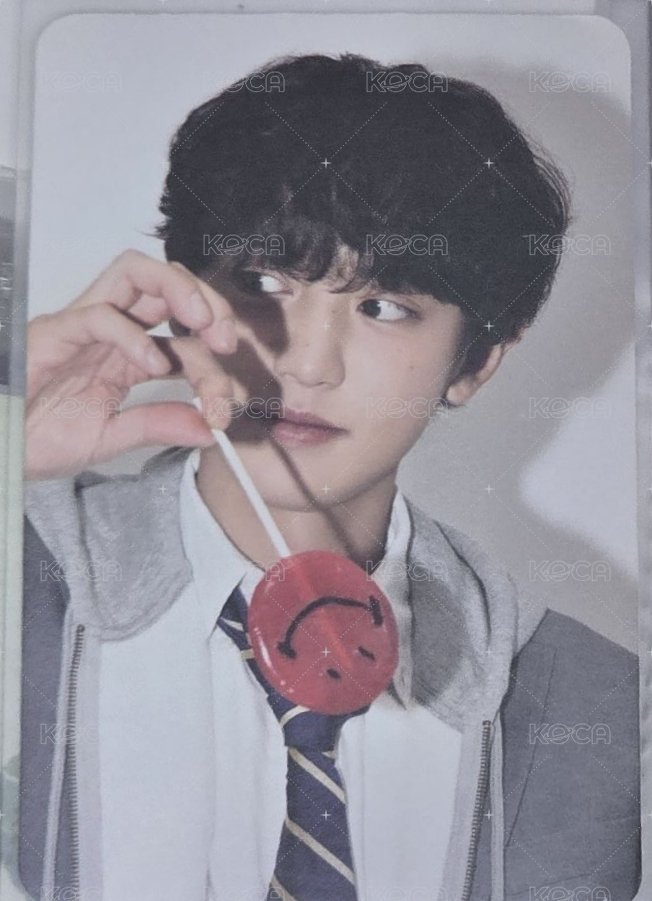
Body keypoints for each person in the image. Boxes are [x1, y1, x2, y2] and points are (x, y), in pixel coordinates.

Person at [17, 54, 640, 901]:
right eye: (264, 281)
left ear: (477, 362)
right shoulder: (24, 572)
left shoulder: (594, 705)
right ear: (181, 292)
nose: (307, 364)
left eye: (383, 307)